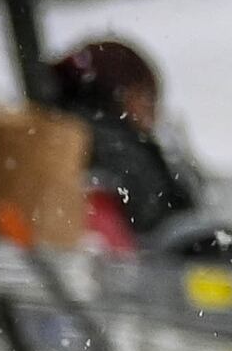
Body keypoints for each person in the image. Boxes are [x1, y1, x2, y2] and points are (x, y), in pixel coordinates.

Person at [39, 37, 212, 253]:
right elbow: (153, 218)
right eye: (148, 97)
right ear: (118, 96)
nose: (155, 113)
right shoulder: (115, 150)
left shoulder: (70, 136)